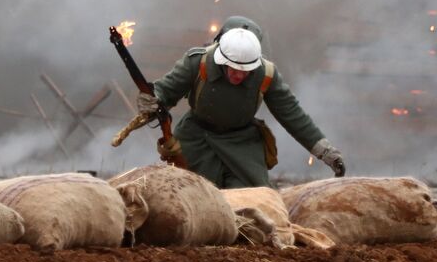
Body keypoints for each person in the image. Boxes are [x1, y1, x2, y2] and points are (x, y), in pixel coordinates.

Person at [136, 15, 345, 188]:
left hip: (242, 144)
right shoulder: (197, 62)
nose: (238, 75)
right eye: (233, 69)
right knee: (188, 196)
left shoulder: (267, 74)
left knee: (251, 204)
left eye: (244, 71)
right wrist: (152, 101)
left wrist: (325, 152)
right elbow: (165, 90)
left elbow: (292, 115)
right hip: (195, 140)